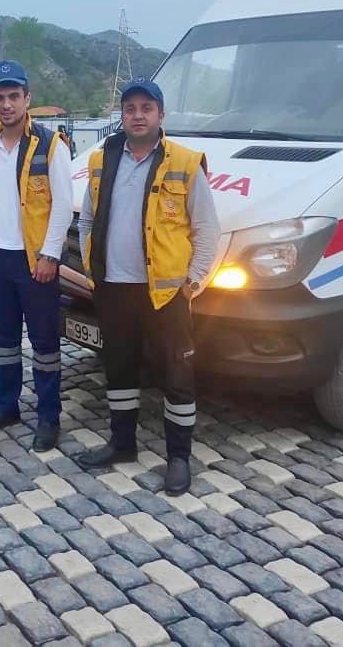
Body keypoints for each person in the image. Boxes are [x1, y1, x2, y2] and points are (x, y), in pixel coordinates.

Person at [74, 78, 220, 495]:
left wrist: (192, 283)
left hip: (166, 293)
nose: (138, 116)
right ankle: (122, 444)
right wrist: (92, 268)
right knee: (119, 369)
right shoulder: (102, 160)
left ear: (161, 115)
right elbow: (87, 220)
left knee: (176, 375)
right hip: (113, 288)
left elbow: (207, 228)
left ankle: (178, 458)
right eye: (130, 108)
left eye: (146, 108)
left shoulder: (185, 163)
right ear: (122, 115)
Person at [0, 60, 74, 451]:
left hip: (34, 260)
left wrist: (50, 254)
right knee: (4, 338)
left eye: (13, 96)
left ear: (28, 98)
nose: (6, 104)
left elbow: (63, 205)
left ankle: (48, 416)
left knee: (44, 342)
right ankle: (6, 405)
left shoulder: (51, 144)